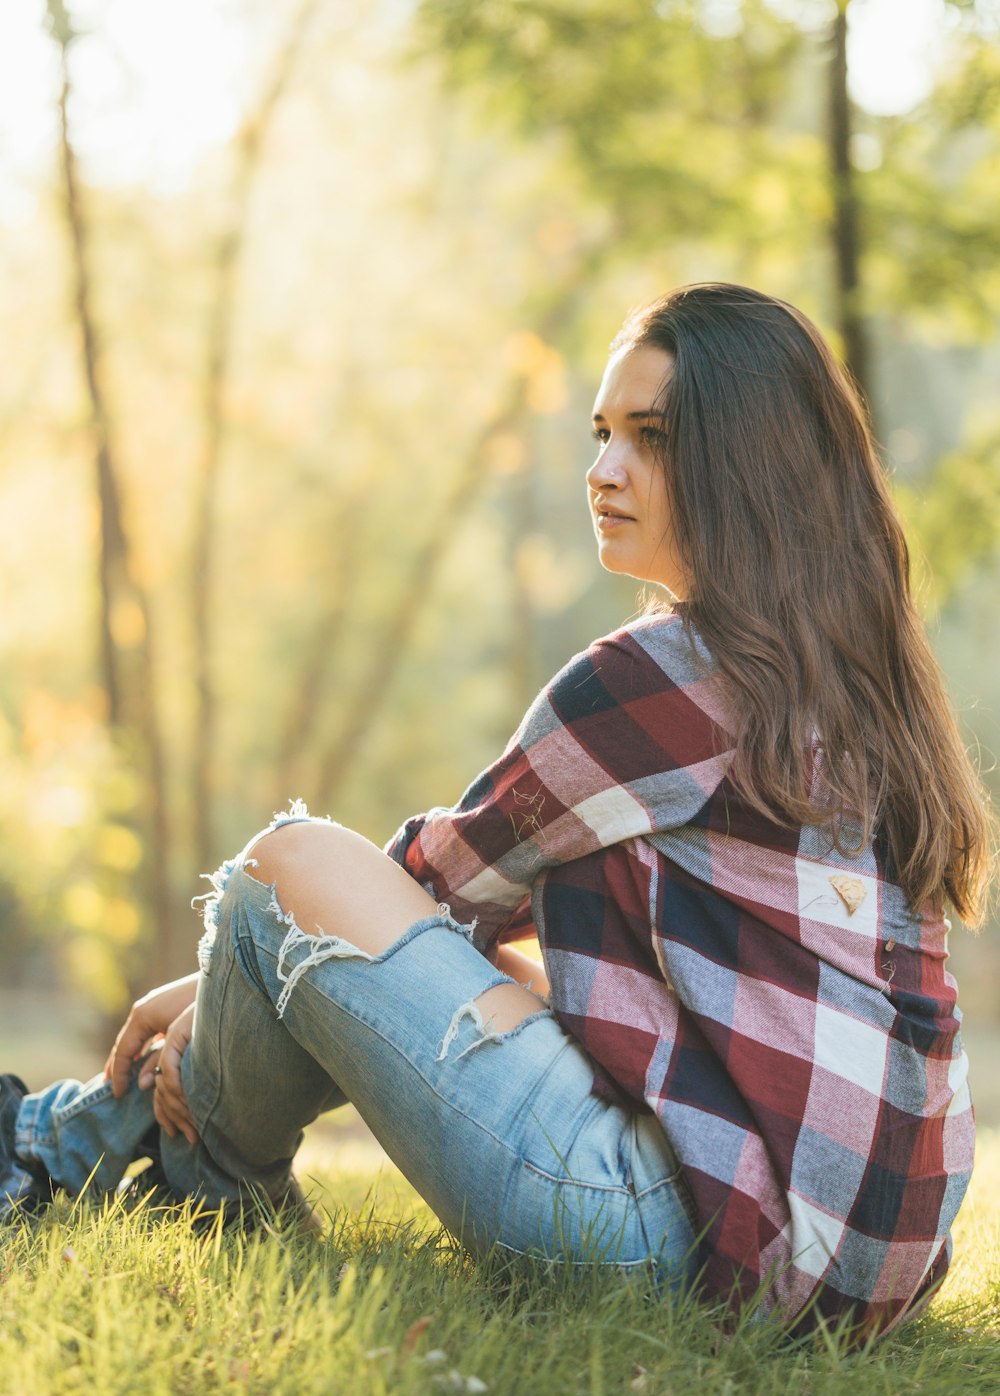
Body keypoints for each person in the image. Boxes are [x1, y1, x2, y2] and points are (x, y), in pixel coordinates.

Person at [1, 283, 991, 1339]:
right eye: (601, 432)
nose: (603, 469)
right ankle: (104, 1153)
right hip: (867, 1275)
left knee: (283, 865)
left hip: (696, 1251)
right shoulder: (856, 685)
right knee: (378, 933)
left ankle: (93, 1157)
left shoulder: (662, 680)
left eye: (649, 439)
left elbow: (424, 889)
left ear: (748, 463)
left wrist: (218, 973)